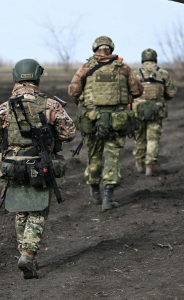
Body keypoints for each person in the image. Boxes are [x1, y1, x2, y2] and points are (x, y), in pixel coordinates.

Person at [0, 59, 75, 279]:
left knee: (20, 208)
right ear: (37, 76)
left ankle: (23, 253)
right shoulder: (51, 105)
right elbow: (68, 134)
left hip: (13, 165)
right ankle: (27, 254)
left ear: (16, 77)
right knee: (37, 210)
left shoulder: (5, 107)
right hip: (40, 164)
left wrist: (7, 153)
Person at [68, 36, 143, 211]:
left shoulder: (86, 67)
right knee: (112, 156)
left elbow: (73, 91)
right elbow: (137, 90)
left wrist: (86, 104)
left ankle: (95, 192)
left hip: (91, 118)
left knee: (93, 155)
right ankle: (108, 198)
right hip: (117, 119)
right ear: (111, 48)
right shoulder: (123, 68)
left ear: (95, 49)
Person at [132, 48, 177, 176]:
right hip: (156, 111)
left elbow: (128, 92)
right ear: (155, 59)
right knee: (153, 140)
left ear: (142, 60)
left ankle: (139, 164)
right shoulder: (163, 74)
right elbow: (172, 92)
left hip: (137, 111)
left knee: (139, 138)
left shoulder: (135, 73)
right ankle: (149, 167)